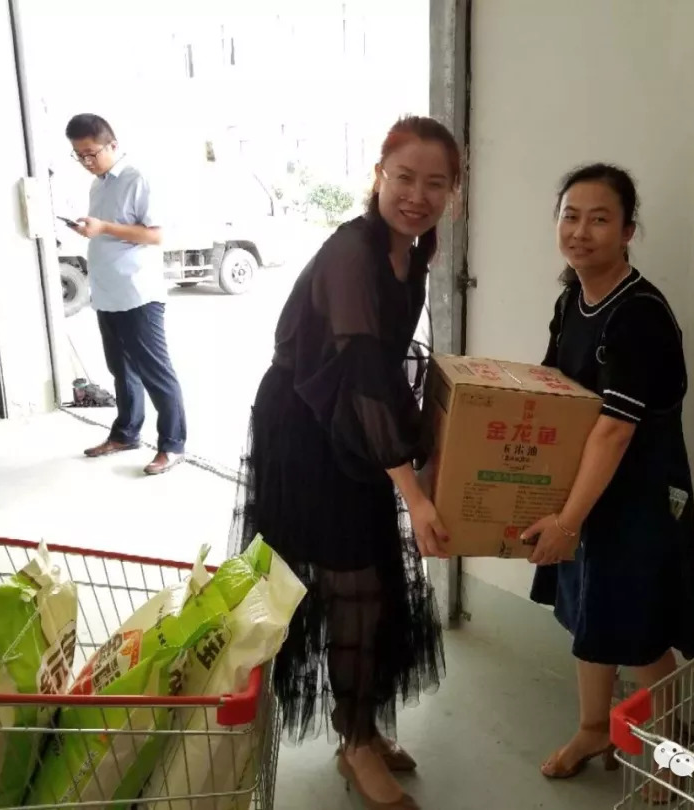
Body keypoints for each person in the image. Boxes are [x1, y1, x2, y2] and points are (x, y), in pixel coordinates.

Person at [228, 115, 461, 810]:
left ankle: (360, 724)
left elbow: (384, 369)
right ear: (379, 175)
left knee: (376, 587)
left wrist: (426, 450)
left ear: (453, 192)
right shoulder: (352, 253)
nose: (417, 196)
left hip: (356, 431)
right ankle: (355, 744)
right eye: (404, 177)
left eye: (436, 183)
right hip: (309, 432)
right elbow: (359, 371)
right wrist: (413, 491)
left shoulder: (411, 252)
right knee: (352, 588)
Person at [524, 163, 694, 786]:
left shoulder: (639, 315)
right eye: (570, 216)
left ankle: (675, 748)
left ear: (628, 231)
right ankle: (594, 727)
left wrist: (568, 521)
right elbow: (553, 390)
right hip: (587, 483)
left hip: (640, 494)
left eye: (599, 219)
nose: (580, 231)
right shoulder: (571, 299)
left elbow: (615, 429)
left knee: (641, 628)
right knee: (590, 612)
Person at [65, 113, 186, 475]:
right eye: (78, 155)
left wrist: (104, 227)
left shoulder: (137, 179)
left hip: (138, 294)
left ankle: (172, 445)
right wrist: (92, 229)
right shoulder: (98, 185)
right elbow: (108, 231)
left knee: (156, 373)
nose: (86, 162)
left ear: (112, 145)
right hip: (107, 294)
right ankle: (126, 434)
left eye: (91, 153)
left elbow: (156, 235)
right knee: (121, 370)